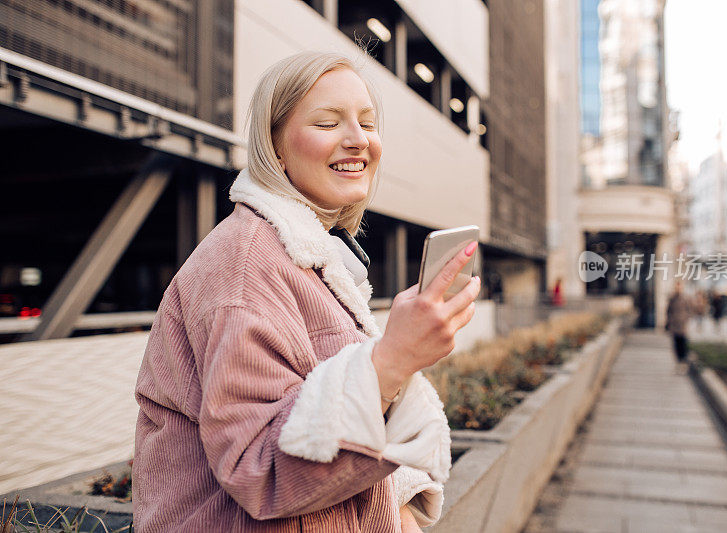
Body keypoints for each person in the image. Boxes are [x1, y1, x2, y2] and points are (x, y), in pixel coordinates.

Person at [132, 51, 481, 532]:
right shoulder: (246, 265)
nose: (359, 140)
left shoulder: (311, 257)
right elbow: (259, 469)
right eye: (327, 122)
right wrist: (394, 359)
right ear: (275, 147)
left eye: (368, 122)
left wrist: (397, 507)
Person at [666, 281, 692, 372]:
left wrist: (685, 319)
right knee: (676, 345)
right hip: (674, 325)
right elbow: (668, 311)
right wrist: (669, 322)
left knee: (683, 344)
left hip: (683, 325)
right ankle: (679, 362)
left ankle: (683, 361)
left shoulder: (685, 298)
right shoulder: (672, 299)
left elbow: (689, 310)